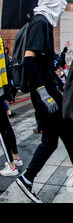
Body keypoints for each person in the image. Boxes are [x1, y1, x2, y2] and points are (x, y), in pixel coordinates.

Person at [15, 0, 73, 203]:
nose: (64, 2)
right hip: (46, 94)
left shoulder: (44, 22)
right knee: (56, 139)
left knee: (64, 138)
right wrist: (43, 92)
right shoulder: (41, 21)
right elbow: (29, 59)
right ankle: (27, 179)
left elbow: (43, 63)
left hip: (49, 90)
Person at [0, 35, 22, 177]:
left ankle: (11, 165)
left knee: (2, 130)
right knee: (6, 126)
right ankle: (15, 157)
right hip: (2, 87)